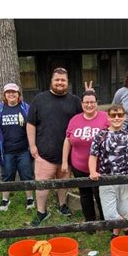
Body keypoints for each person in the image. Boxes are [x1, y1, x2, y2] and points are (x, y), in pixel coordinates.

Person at [27, 67, 82, 226]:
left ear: (67, 82)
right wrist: (32, 146)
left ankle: (62, 205)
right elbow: (31, 124)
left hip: (67, 155)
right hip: (44, 153)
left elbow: (82, 121)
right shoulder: (39, 99)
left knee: (63, 183)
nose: (60, 83)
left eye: (63, 80)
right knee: (42, 186)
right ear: (51, 81)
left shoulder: (75, 101)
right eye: (57, 80)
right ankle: (41, 212)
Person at [89, 104, 128, 240]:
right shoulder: (101, 135)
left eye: (120, 115)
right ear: (108, 117)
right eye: (113, 115)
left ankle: (116, 234)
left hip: (126, 179)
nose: (116, 118)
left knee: (124, 210)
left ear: (124, 117)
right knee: (110, 214)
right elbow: (93, 156)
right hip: (106, 179)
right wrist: (92, 171)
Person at [61, 90, 109, 225]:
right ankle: (90, 221)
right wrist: (65, 161)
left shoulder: (105, 117)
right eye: (86, 102)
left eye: (92, 102)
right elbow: (67, 140)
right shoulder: (75, 120)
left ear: (96, 103)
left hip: (101, 166)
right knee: (85, 193)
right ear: (82, 104)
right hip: (79, 165)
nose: (89, 105)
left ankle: (105, 221)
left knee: (101, 194)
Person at [0, 83, 34, 211]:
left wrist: (33, 145)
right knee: (7, 175)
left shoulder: (26, 108)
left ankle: (30, 198)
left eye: (14, 92)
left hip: (24, 150)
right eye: (8, 92)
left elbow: (33, 126)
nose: (11, 94)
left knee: (27, 175)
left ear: (18, 94)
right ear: (5, 95)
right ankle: (5, 200)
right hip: (6, 151)